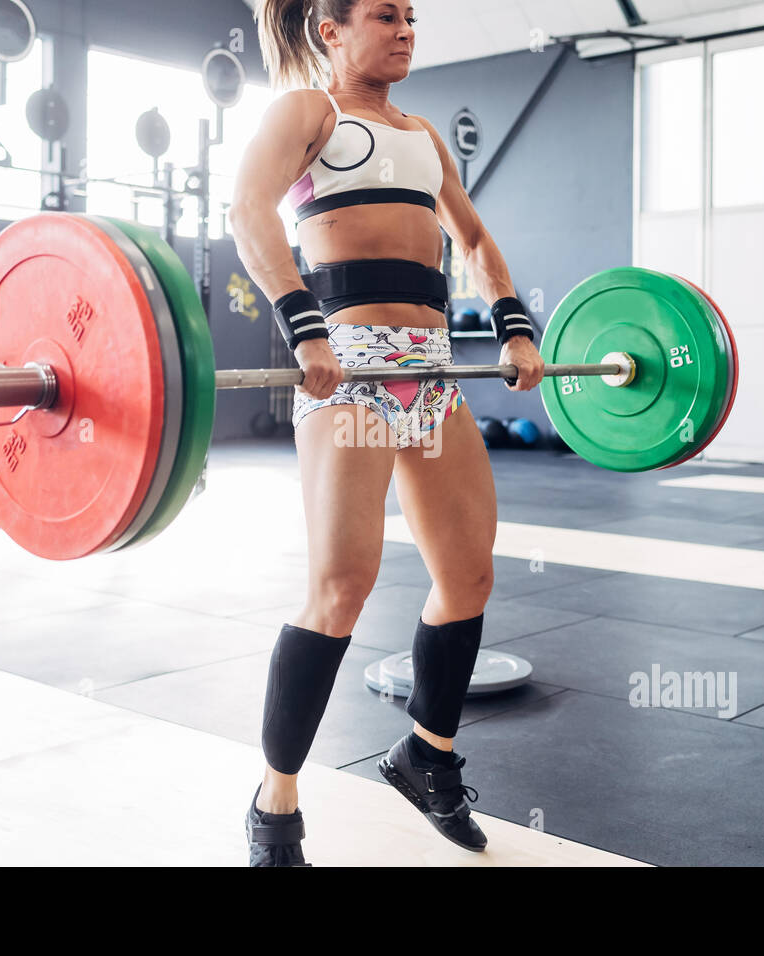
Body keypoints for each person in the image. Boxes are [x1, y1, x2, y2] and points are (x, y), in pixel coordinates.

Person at [230, 0, 545, 866]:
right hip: (350, 367)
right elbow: (248, 210)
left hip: (432, 369)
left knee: (469, 575)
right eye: (384, 15)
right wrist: (306, 327)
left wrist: (515, 327)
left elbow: (473, 242)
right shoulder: (308, 113)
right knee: (342, 585)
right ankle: (275, 800)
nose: (406, 29)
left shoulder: (421, 134)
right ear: (331, 30)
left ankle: (426, 756)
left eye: (411, 16)